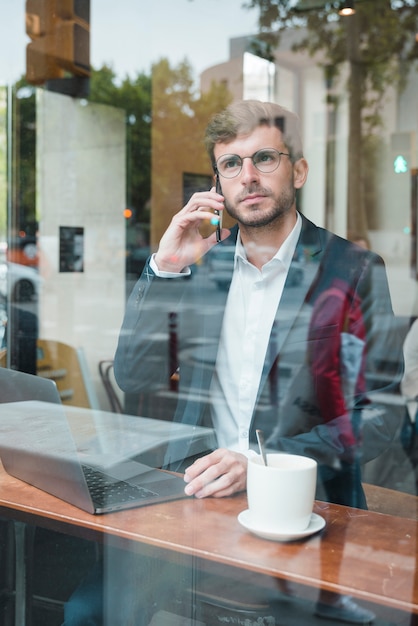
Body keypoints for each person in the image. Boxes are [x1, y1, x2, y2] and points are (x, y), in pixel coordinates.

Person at [63, 100, 404, 625]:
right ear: (218, 184)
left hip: (302, 510)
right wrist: (166, 269)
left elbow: (380, 414)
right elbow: (135, 376)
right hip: (190, 501)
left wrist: (262, 463)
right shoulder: (204, 267)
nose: (248, 177)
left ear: (299, 170)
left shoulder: (351, 270)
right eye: (231, 164)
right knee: (86, 611)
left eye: (264, 158)